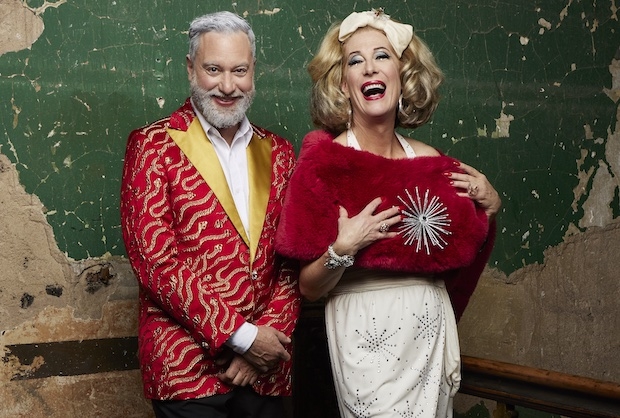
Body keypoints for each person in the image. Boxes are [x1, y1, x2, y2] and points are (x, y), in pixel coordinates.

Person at [275, 9, 501, 418]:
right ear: (343, 84)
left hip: (430, 330)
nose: (369, 68)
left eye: (382, 56)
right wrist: (344, 247)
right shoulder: (325, 164)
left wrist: (490, 207)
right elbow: (308, 287)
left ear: (402, 73)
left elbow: (463, 252)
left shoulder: (432, 162)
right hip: (365, 333)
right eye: (355, 61)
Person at [120, 11, 301, 418]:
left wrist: (264, 347)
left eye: (239, 70)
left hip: (266, 369)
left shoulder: (281, 153)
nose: (227, 85)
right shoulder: (152, 146)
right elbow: (156, 264)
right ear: (190, 68)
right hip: (185, 369)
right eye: (213, 69)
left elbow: (291, 261)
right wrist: (243, 337)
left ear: (254, 70)